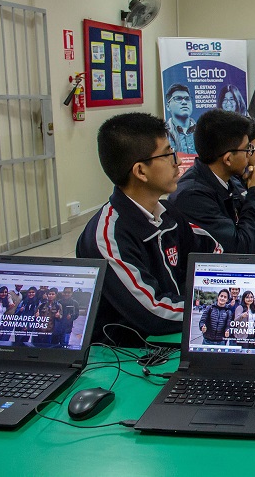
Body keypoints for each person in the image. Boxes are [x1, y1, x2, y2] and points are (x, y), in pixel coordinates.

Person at [76, 113, 223, 345]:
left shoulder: (166, 212)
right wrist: (220, 305)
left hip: (173, 338)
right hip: (128, 356)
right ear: (140, 171)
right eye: (167, 154)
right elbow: (153, 311)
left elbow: (213, 250)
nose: (177, 162)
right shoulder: (108, 236)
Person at [169, 109, 255, 253]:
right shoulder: (192, 196)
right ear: (228, 159)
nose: (251, 154)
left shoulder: (229, 179)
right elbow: (240, 249)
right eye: (247, 149)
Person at [164, 83, 197, 154]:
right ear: (168, 106)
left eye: (187, 99)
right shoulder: (163, 133)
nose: (184, 102)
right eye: (178, 98)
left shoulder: (202, 130)